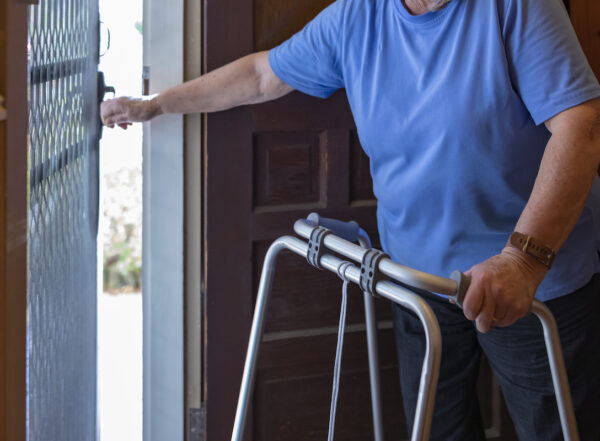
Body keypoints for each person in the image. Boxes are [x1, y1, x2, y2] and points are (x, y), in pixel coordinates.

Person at [101, 0, 600, 439]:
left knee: (554, 428)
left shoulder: (516, 6)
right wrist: (157, 104)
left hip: (531, 281)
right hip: (419, 280)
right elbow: (260, 75)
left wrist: (522, 259)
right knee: (436, 429)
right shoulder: (357, 16)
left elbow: (579, 125)